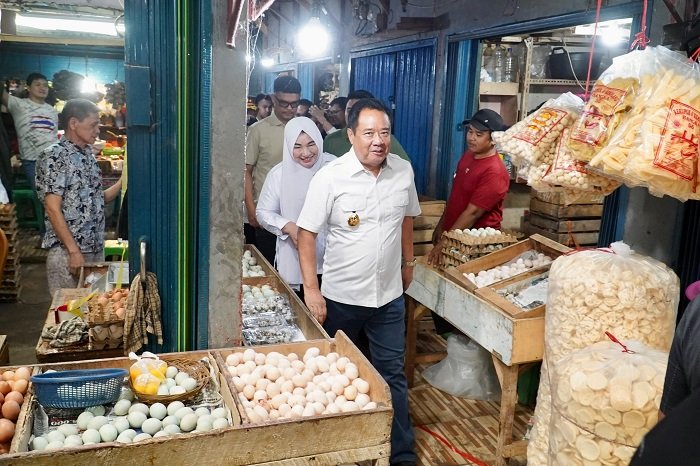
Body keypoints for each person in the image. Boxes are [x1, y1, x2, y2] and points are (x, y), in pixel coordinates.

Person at [296, 98, 420, 466]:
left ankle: (401, 454)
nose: (378, 140)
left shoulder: (403, 171)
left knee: (392, 374)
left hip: (388, 298)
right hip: (342, 299)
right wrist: (312, 290)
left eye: (384, 132)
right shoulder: (330, 177)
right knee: (336, 376)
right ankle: (337, 452)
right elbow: (306, 234)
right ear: (350, 135)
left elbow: (407, 219)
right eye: (368, 133)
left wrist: (408, 262)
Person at [427, 108, 510, 335]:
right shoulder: (468, 157)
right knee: (440, 296)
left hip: (475, 248)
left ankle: (461, 344)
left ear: (493, 139)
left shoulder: (495, 171)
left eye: (479, 134)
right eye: (470, 131)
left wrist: (446, 241)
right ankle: (451, 343)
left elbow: (473, 213)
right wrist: (442, 225)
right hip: (455, 237)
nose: (471, 137)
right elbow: (456, 196)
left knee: (463, 301)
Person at [35, 99, 123, 296]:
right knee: (67, 310)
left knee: (94, 309)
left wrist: (123, 181)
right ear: (73, 123)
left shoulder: (88, 156)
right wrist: (73, 251)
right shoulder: (54, 156)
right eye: (93, 125)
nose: (97, 130)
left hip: (94, 250)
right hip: (68, 254)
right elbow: (52, 208)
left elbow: (98, 199)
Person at [256, 117, 335, 298]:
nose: (305, 153)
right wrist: (287, 226)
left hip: (334, 261)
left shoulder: (334, 167)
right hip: (295, 258)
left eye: (311, 144)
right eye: (297, 146)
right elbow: (263, 212)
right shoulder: (279, 174)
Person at [245, 76, 302, 265]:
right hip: (268, 214)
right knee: (270, 266)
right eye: (284, 103)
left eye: (294, 104)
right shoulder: (258, 130)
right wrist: (251, 210)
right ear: (274, 99)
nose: (290, 109)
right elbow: (246, 171)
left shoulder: (304, 128)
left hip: (298, 213)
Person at [1, 73, 58, 193]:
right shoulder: (18, 104)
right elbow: (2, 93)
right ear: (28, 88)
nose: (42, 88)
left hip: (54, 159)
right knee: (43, 195)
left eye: (45, 85)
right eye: (37, 84)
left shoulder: (52, 110)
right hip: (32, 161)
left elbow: (53, 135)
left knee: (57, 195)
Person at [323, 90, 412, 162]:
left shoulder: (385, 140)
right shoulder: (331, 141)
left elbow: (403, 168)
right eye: (349, 110)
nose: (352, 115)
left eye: (358, 111)